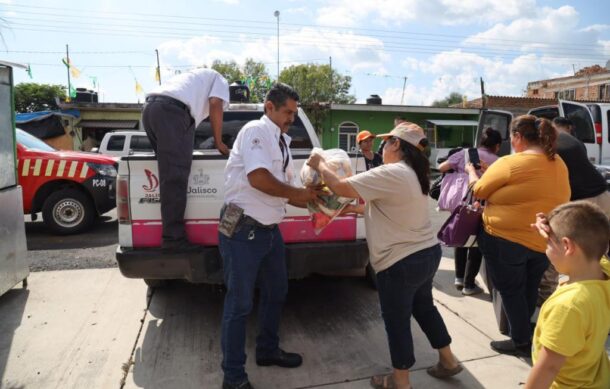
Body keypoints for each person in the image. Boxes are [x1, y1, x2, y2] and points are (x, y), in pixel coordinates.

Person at [308, 122, 462, 389]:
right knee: (424, 309)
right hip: (425, 254)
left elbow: (341, 187)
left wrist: (319, 162)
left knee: (397, 321)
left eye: (385, 142)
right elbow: (384, 206)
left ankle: (400, 381)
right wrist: (352, 211)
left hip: (400, 262)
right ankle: (448, 360)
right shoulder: (414, 173)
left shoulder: (393, 172)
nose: (381, 147)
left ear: (397, 145)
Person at [219, 83, 322, 389]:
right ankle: (233, 377)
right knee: (239, 305)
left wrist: (313, 201)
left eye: (294, 112)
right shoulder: (256, 131)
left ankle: (266, 351)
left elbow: (282, 191)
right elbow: (258, 178)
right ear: (269, 107)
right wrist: (301, 195)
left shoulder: (281, 142)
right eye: (287, 112)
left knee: (277, 292)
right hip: (242, 230)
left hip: (268, 230)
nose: (292, 117)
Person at [465, 115, 570, 357]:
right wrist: (492, 171)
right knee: (529, 288)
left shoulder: (511, 162)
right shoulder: (558, 162)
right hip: (541, 238)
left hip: (506, 240)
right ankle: (524, 329)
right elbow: (528, 187)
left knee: (510, 290)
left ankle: (521, 340)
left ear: (518, 137)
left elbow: (479, 190)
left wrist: (472, 171)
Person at [142, 68, 230, 252]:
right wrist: (219, 142)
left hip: (150, 109)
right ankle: (173, 240)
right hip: (172, 113)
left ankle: (169, 234)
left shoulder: (194, 79)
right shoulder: (220, 79)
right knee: (174, 179)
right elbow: (215, 104)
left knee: (168, 177)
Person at [526, 201, 610, 389]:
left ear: (567, 246)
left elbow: (548, 368)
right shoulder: (602, 270)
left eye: (548, 243)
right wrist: (552, 231)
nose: (546, 248)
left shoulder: (568, 306)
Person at [536, 117, 610, 304]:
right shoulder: (569, 139)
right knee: (597, 253)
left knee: (560, 244)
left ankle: (546, 294)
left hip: (584, 201)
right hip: (603, 195)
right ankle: (600, 295)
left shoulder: (547, 148)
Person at [437, 127, 502, 296]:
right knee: (476, 243)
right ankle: (469, 284)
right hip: (482, 205)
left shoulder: (465, 153)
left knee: (460, 236)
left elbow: (442, 167)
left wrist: (459, 169)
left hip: (460, 203)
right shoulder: (498, 160)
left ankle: (458, 277)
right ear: (497, 145)